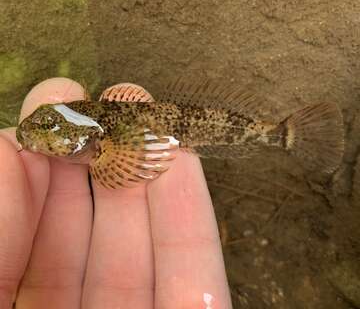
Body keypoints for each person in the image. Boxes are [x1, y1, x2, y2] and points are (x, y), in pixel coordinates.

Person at [0, 78, 232, 309]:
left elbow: (126, 158)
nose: (35, 132)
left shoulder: (106, 139)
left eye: (49, 124)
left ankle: (263, 133)